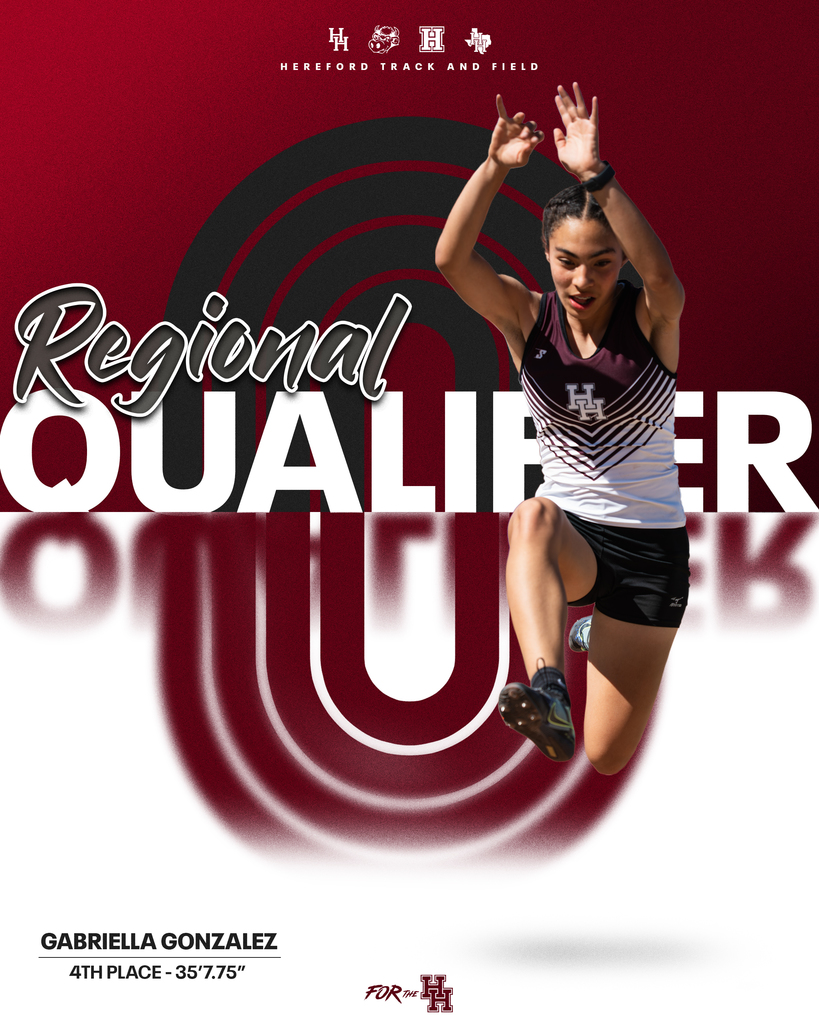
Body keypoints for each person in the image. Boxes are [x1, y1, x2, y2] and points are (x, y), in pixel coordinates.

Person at [435, 84, 689, 774]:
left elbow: (665, 279)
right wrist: (494, 169)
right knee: (532, 515)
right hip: (571, 536)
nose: (583, 279)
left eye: (602, 262)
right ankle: (548, 683)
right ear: (546, 257)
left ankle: (588, 632)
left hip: (649, 555)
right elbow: (451, 263)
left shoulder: (647, 320)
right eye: (567, 261)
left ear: (621, 264)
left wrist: (597, 181)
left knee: (604, 756)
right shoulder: (526, 318)